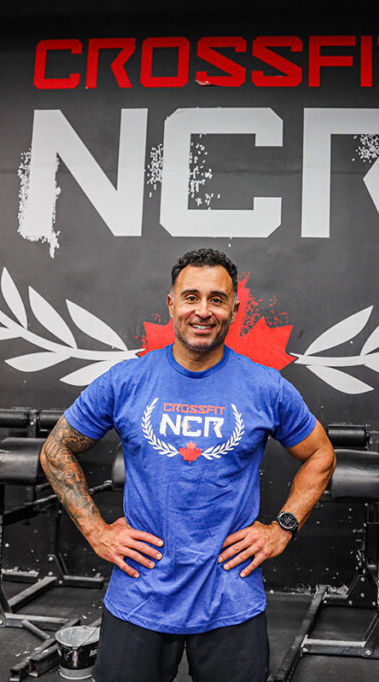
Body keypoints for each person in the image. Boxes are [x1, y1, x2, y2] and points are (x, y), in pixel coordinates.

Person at [40, 248, 336, 682]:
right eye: (191, 297)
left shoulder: (264, 386)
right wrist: (96, 531)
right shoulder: (127, 380)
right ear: (171, 304)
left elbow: (320, 454)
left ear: (235, 308)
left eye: (217, 299)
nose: (203, 311)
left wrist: (283, 527)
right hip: (140, 592)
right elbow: (55, 451)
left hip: (230, 595)